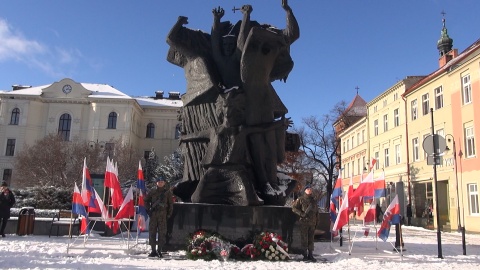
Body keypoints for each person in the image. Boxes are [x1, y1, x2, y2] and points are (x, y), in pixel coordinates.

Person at [145, 177, 173, 257]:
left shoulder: (167, 192)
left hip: (163, 215)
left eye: (162, 182)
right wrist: (148, 210)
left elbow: (171, 204)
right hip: (153, 215)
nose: (160, 183)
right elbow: (146, 200)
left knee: (162, 233)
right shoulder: (152, 191)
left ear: (164, 183)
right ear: (156, 183)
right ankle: (153, 250)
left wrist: (168, 214)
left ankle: (159, 250)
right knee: (152, 232)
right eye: (159, 182)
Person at [292, 185, 318, 262]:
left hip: (312, 222)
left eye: (310, 189)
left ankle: (310, 254)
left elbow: (316, 212)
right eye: (308, 189)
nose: (309, 190)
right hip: (304, 222)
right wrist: (301, 214)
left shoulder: (313, 201)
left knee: (311, 239)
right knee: (304, 238)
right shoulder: (301, 199)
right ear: (305, 190)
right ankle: (304, 254)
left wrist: (317, 221)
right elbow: (294, 208)